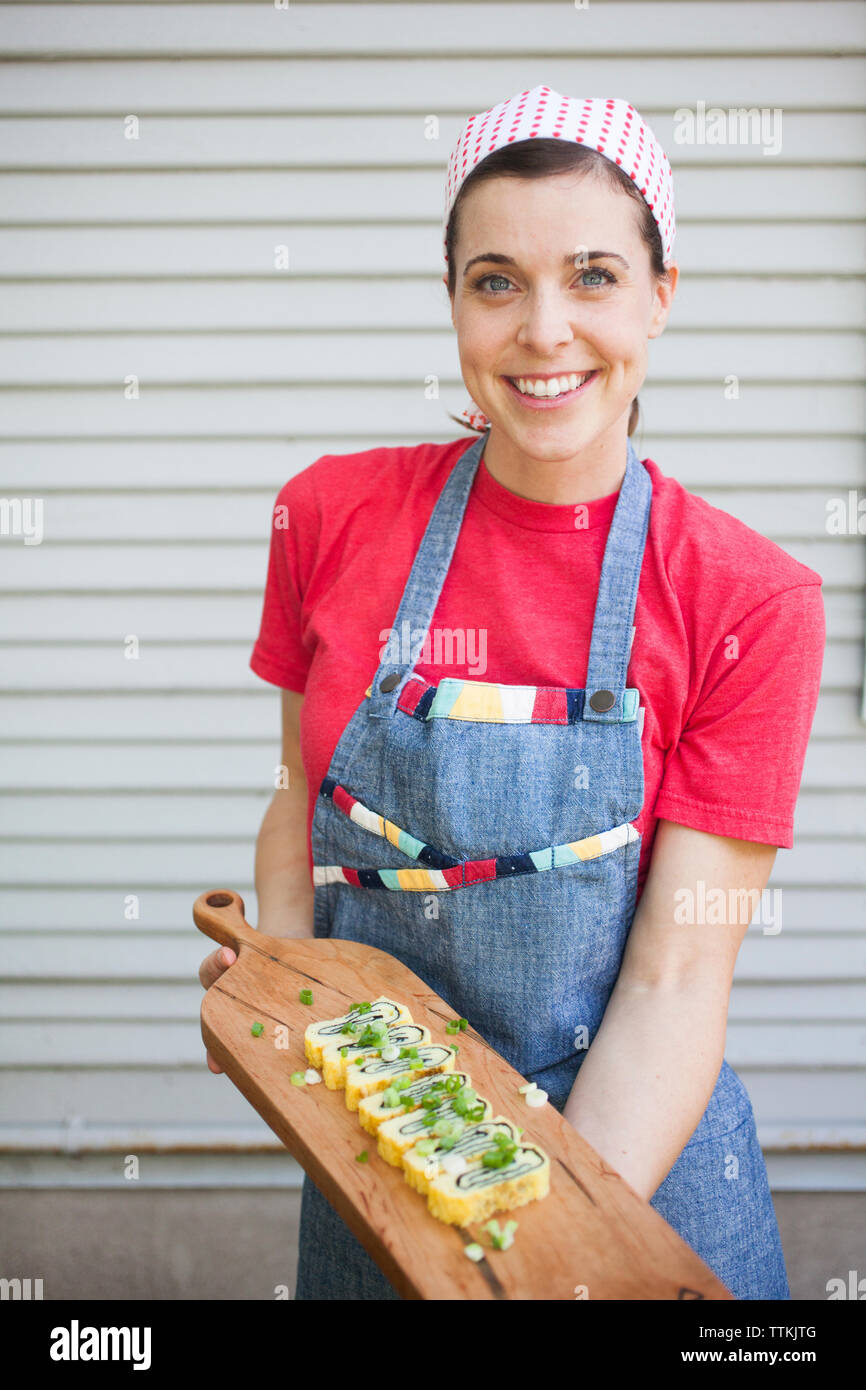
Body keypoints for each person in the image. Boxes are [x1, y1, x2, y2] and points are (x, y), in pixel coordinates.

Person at [198, 86, 825, 1300]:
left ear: (660, 295)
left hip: (623, 1187)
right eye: (495, 280)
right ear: (451, 302)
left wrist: (536, 1249)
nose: (543, 330)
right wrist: (274, 987)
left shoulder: (747, 599)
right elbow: (295, 797)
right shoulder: (326, 516)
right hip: (376, 1156)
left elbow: (675, 979)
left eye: (592, 274)